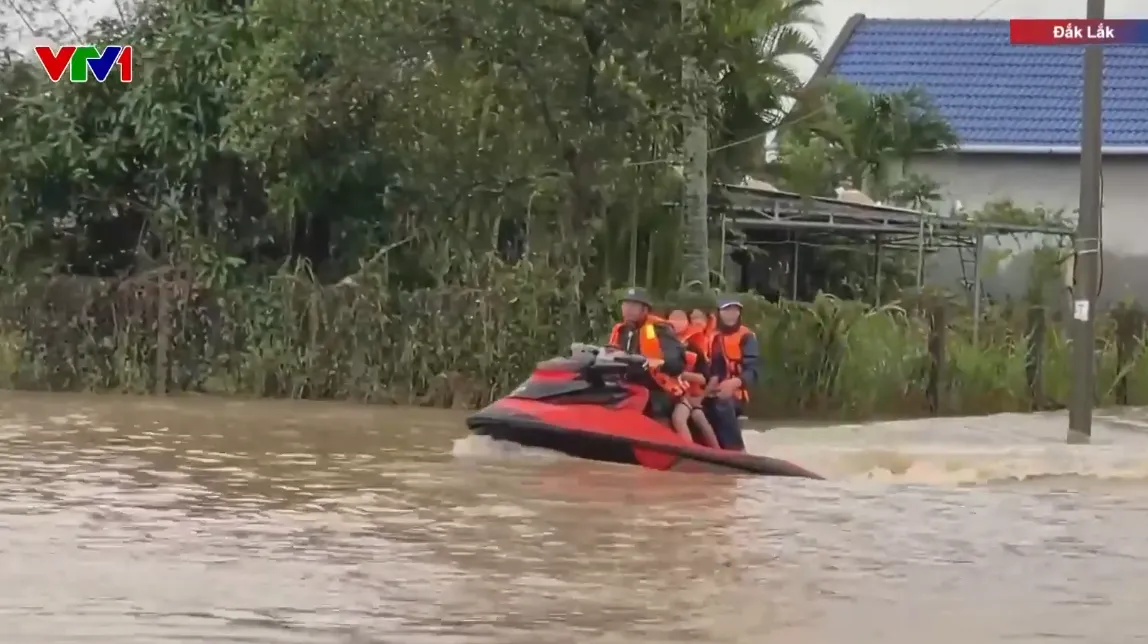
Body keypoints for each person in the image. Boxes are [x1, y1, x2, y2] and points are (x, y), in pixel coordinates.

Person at [606, 287, 686, 419]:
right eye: (625, 304)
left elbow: (677, 362)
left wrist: (659, 362)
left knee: (655, 406)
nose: (628, 309)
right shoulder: (622, 330)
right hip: (626, 385)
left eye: (633, 305)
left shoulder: (659, 329)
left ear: (645, 309)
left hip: (656, 387)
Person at [702, 297, 760, 452]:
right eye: (727, 310)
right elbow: (711, 368)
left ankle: (736, 450)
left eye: (735, 310)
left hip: (736, 394)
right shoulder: (711, 336)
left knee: (722, 403)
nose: (731, 314)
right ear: (719, 313)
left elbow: (753, 371)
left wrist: (735, 383)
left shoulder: (747, 336)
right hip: (712, 388)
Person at [665, 309, 721, 448]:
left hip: (688, 395)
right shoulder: (660, 343)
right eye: (673, 319)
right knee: (697, 416)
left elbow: (704, 378)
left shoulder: (694, 346)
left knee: (683, 418)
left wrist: (680, 374)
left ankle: (700, 452)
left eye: (680, 319)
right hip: (666, 392)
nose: (676, 323)